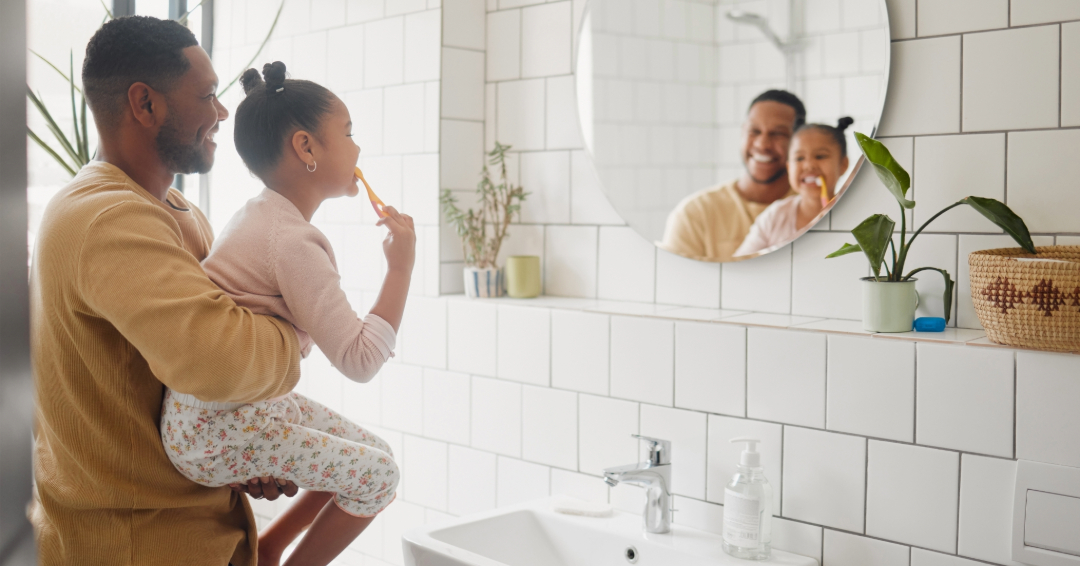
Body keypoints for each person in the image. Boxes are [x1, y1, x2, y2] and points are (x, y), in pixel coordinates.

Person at [30, 17, 300, 566]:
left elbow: (186, 390)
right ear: (145, 104)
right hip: (137, 548)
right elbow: (221, 361)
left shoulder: (175, 210)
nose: (222, 112)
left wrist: (240, 453)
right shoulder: (103, 218)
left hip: (196, 534)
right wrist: (306, 325)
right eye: (206, 95)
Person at [161, 61, 415, 566]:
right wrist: (401, 268)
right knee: (379, 477)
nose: (357, 147)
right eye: (347, 132)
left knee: (374, 452)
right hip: (215, 427)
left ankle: (269, 549)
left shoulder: (261, 214)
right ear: (306, 148)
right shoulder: (292, 242)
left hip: (220, 412)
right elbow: (360, 361)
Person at [659, 90, 806, 262]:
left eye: (778, 134)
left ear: (800, 140)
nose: (762, 144)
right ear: (742, 132)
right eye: (754, 131)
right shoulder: (694, 214)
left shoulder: (815, 210)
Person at [735, 118, 853, 257]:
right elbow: (742, 261)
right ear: (789, 168)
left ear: (843, 165)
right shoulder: (774, 216)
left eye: (820, 156)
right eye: (799, 158)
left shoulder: (853, 214)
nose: (809, 165)